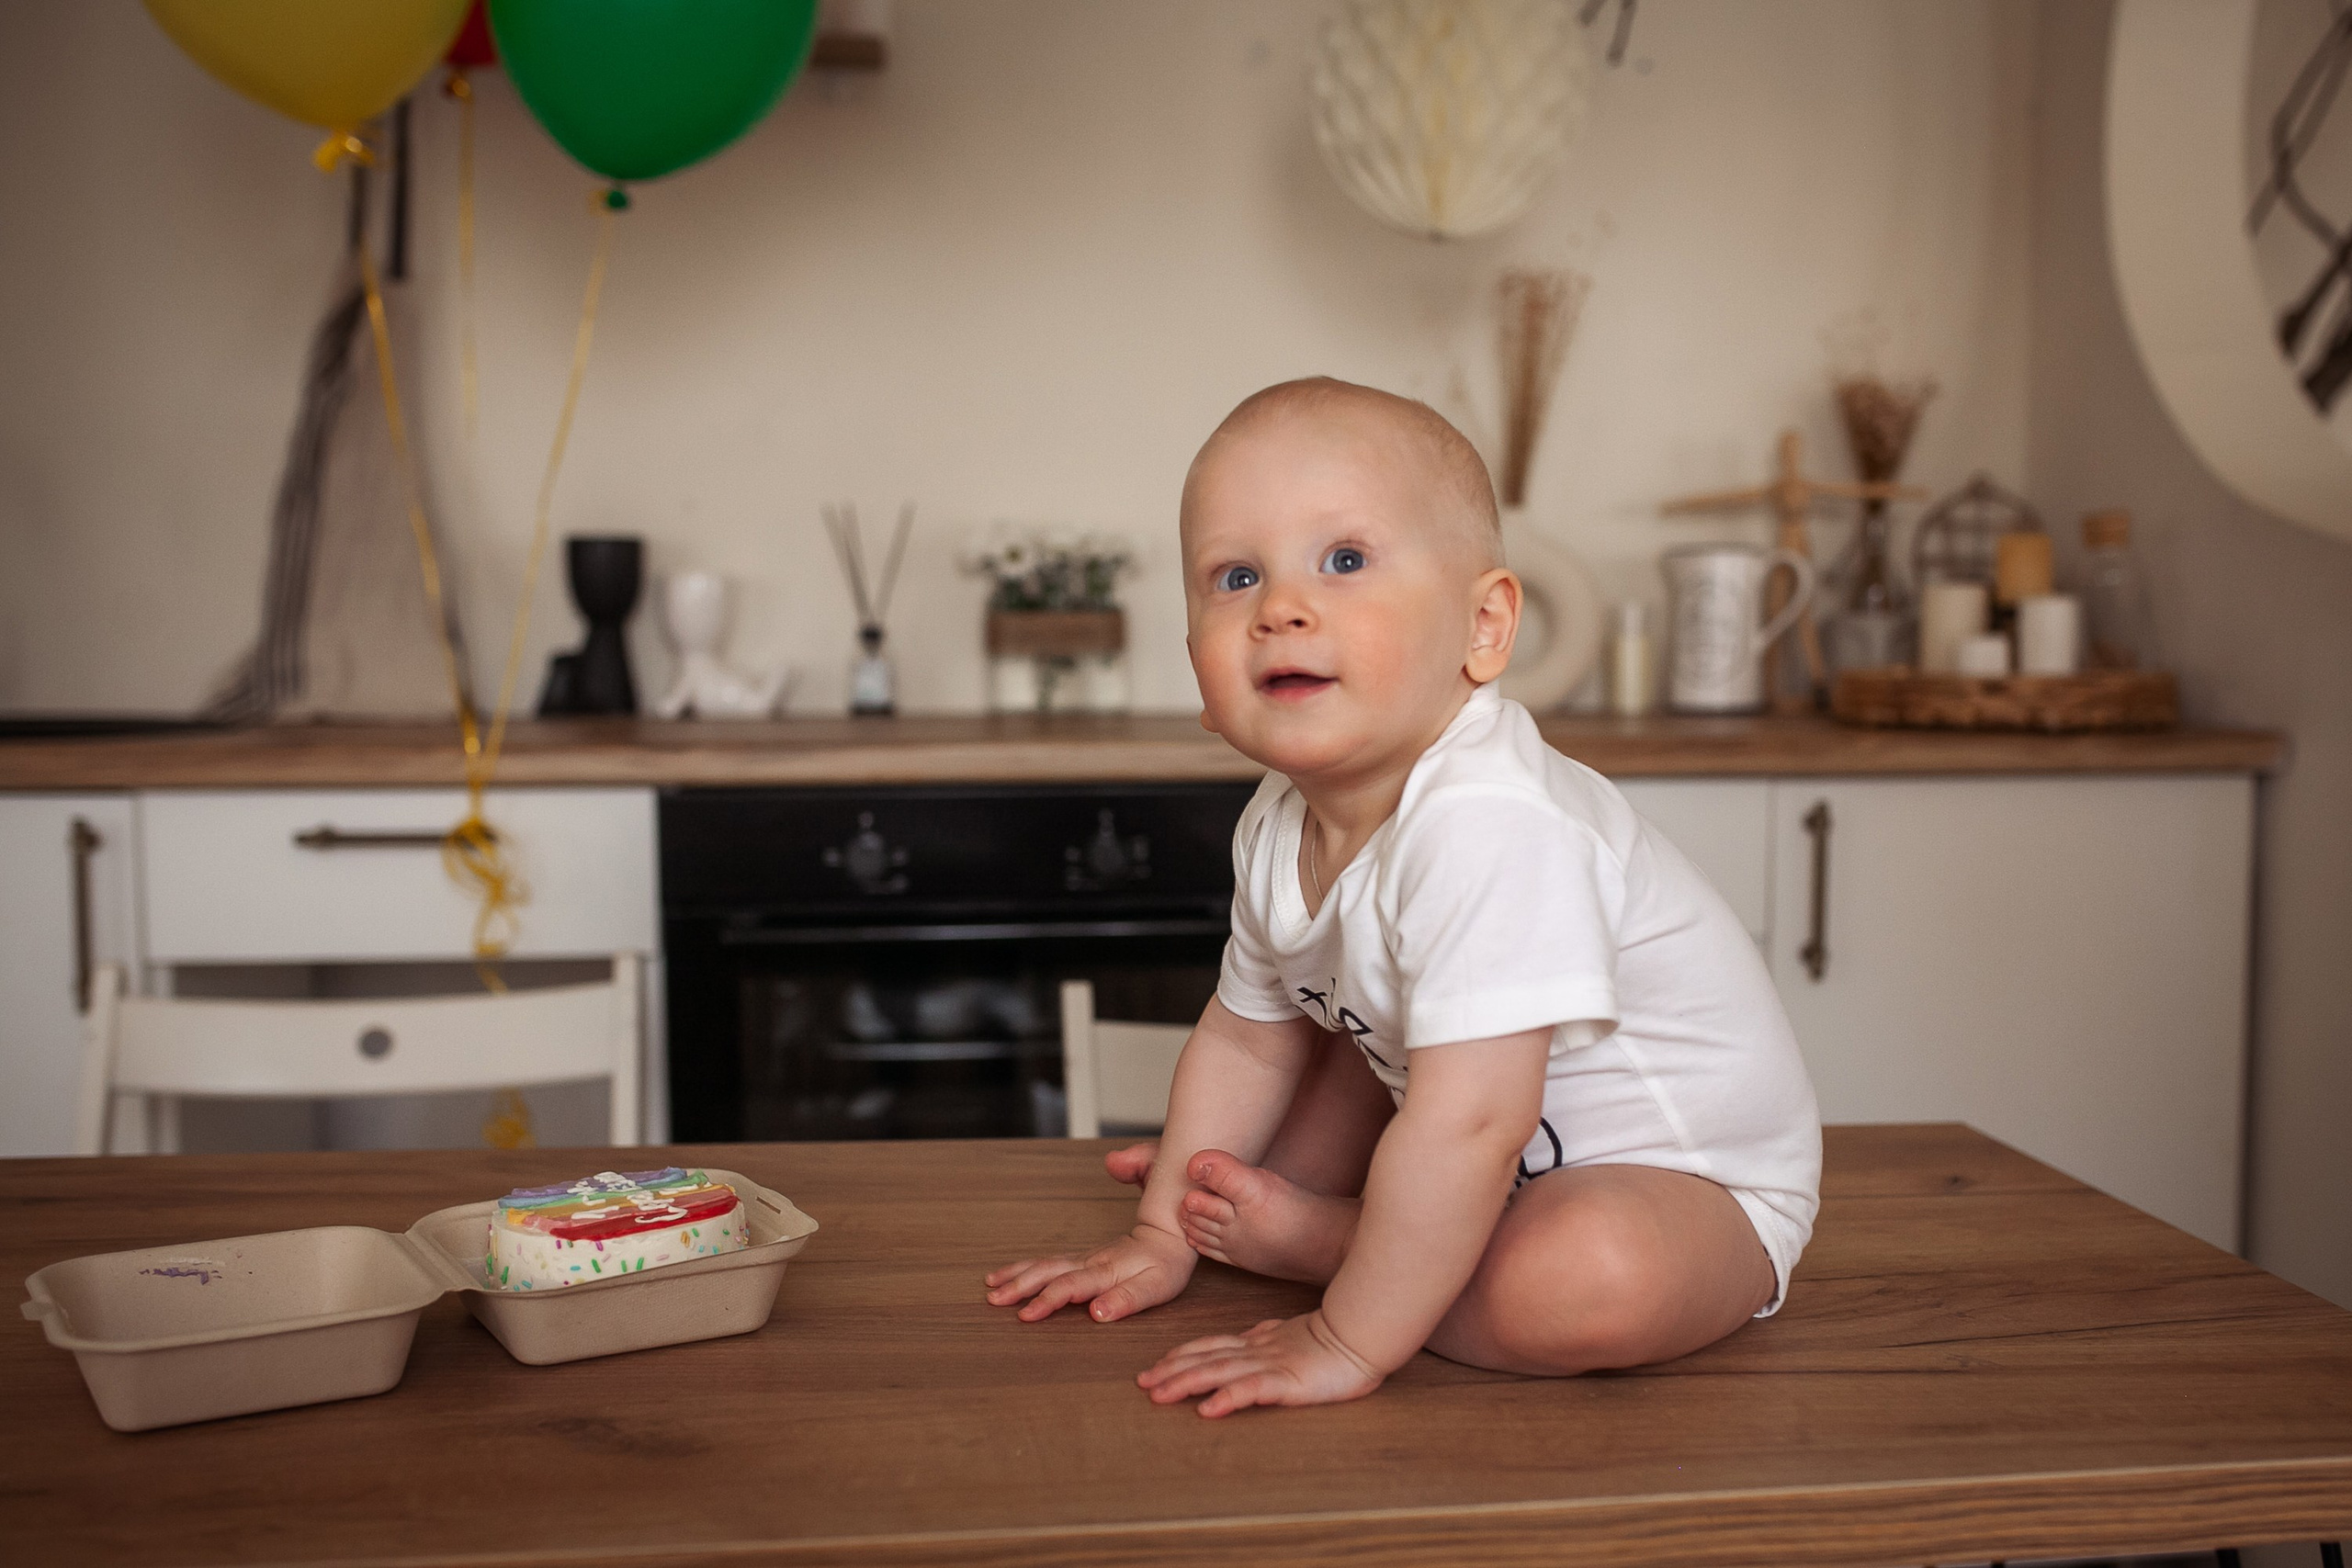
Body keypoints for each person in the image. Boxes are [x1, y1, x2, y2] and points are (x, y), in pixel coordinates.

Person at [984, 378, 1821, 1417]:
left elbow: (1473, 1127)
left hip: (1687, 1193)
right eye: (1235, 576)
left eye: (1344, 560)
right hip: (1461, 1138)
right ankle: (1349, 1234)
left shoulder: (1492, 821)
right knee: (1303, 1054)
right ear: (1198, 671)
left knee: (1584, 1279)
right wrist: (1163, 1231)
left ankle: (1340, 1248)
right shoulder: (1279, 821)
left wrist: (1345, 1337)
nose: (1281, 607)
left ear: (1482, 626)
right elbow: (1246, 1042)